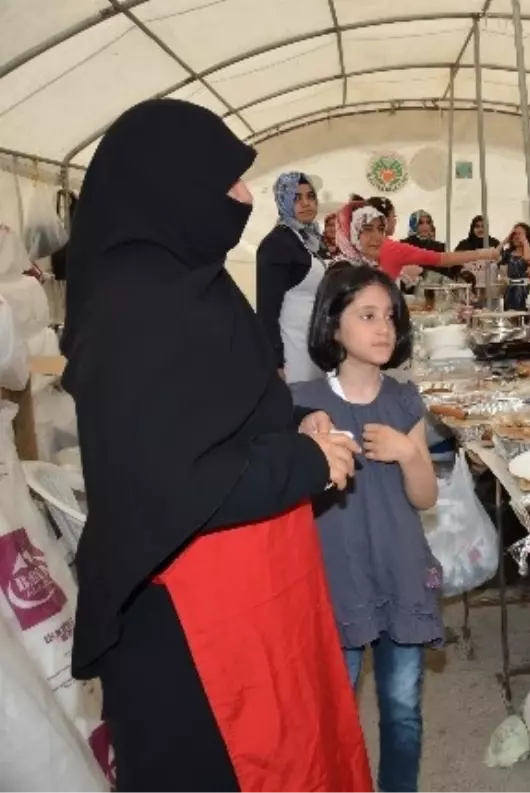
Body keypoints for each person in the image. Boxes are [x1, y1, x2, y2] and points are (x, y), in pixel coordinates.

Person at [60, 98, 370, 793]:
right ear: (171, 184)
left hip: (253, 596)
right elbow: (173, 480)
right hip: (195, 630)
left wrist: (293, 423)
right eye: (228, 179)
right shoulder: (135, 310)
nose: (245, 195)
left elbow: (216, 406)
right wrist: (307, 461)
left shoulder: (185, 284)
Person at [291, 265, 439, 793]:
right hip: (339, 583)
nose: (384, 329)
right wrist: (304, 440)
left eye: (392, 318)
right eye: (368, 316)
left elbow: (425, 497)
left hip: (400, 574)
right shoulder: (302, 402)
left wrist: (408, 455)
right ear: (333, 326)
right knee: (336, 712)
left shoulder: (404, 400)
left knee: (402, 712)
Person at [256, 171, 327, 382]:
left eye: (310, 196)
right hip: (292, 353)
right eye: (296, 198)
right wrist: (276, 362)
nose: (306, 203)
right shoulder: (276, 244)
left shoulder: (311, 239)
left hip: (315, 346)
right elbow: (267, 311)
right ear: (283, 201)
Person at [501, 222, 530, 310]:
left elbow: (528, 258)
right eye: (514, 234)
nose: (516, 237)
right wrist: (506, 240)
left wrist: (524, 241)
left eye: (520, 234)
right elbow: (494, 255)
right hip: (510, 289)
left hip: (525, 290)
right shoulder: (508, 253)